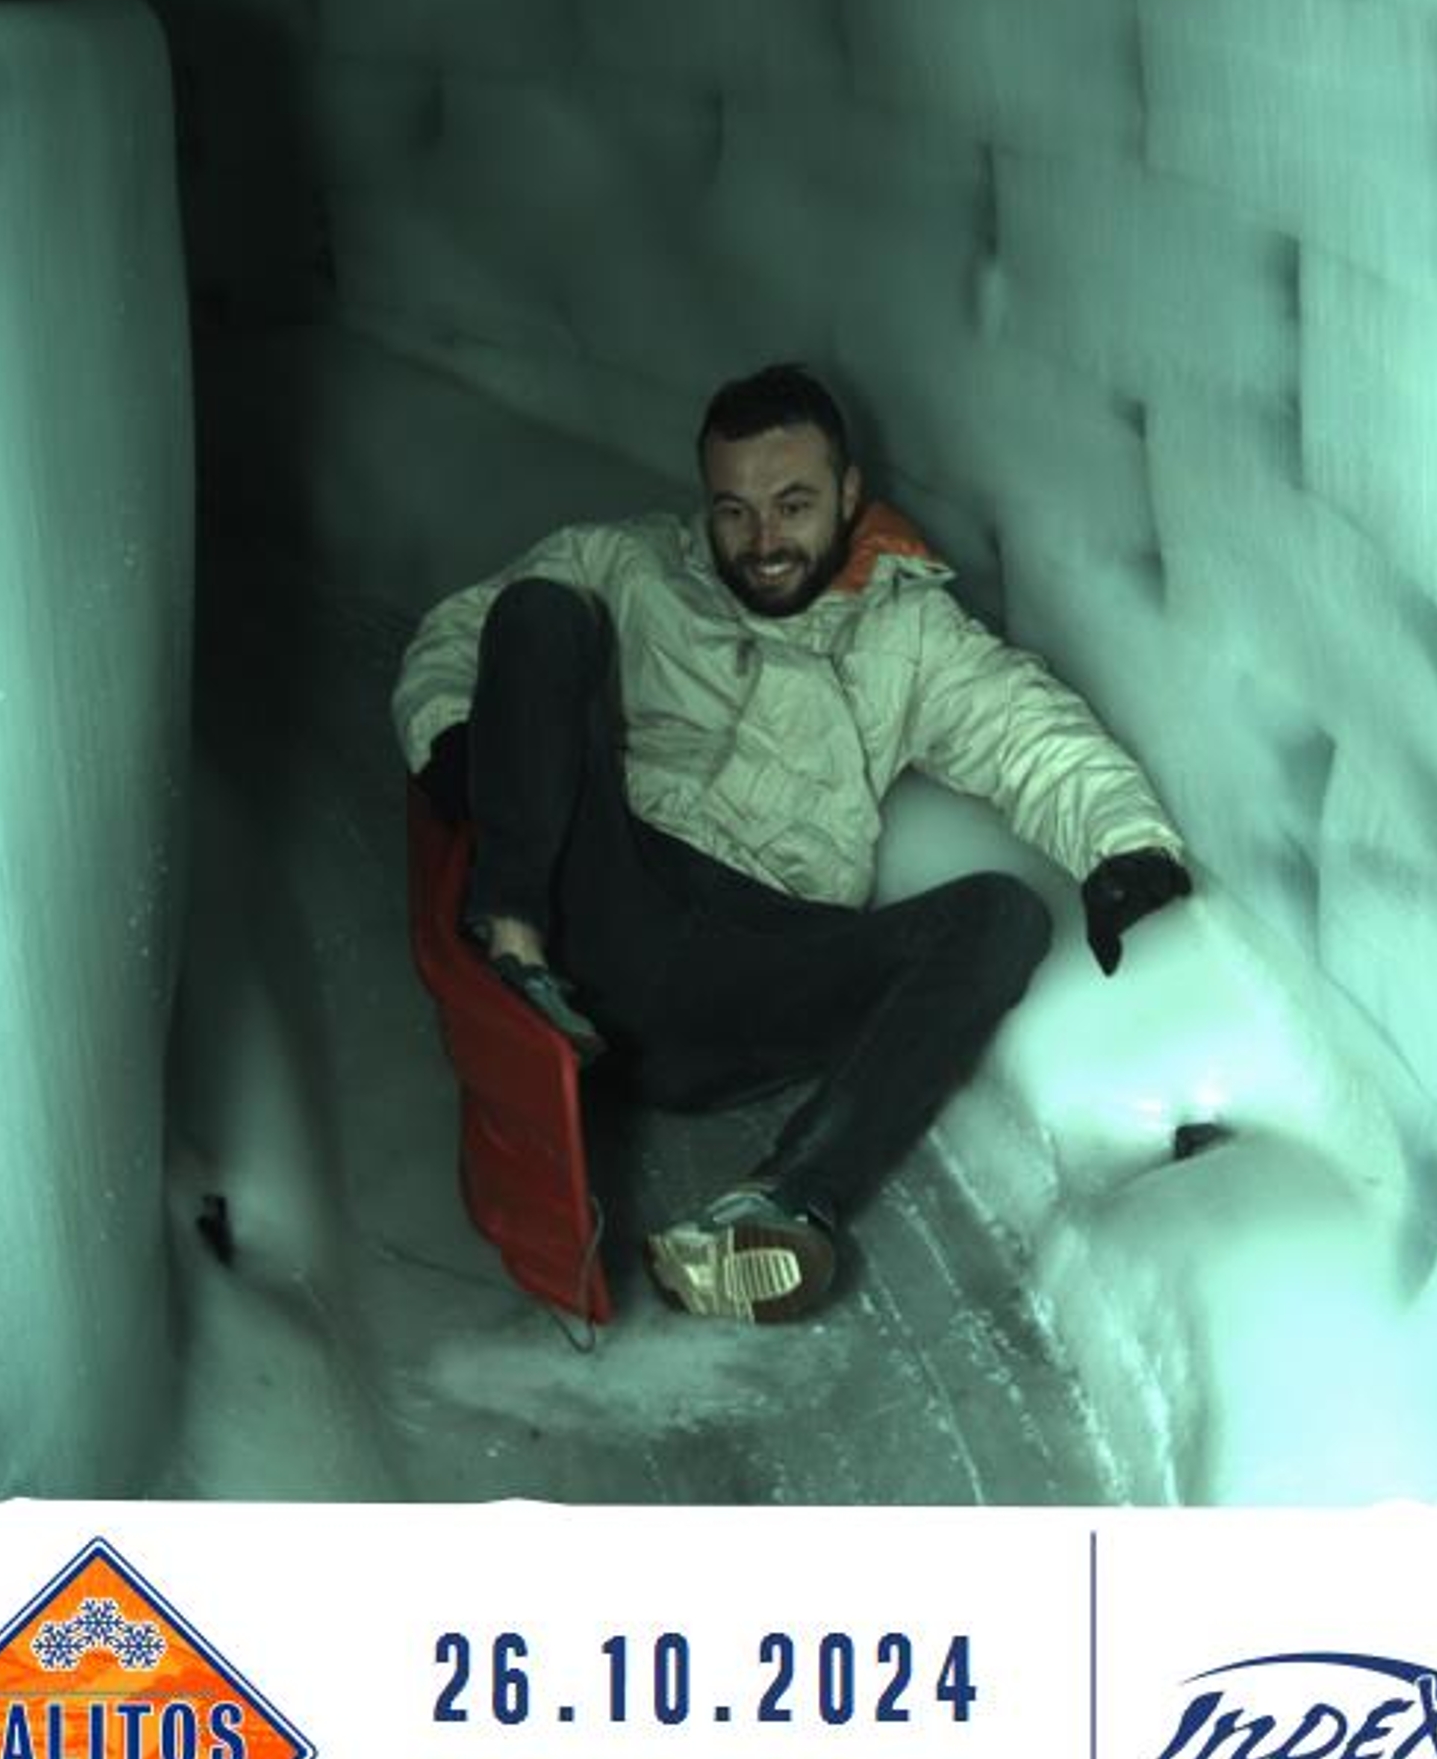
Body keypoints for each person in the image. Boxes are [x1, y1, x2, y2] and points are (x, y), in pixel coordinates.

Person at [393, 365, 1191, 1326]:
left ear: (849, 494)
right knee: (539, 610)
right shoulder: (630, 564)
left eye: (793, 505)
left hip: (760, 973)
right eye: (734, 511)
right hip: (607, 908)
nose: (763, 541)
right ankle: (514, 954)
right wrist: (459, 745)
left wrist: (1125, 844)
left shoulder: (911, 632)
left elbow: (1030, 734)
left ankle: (783, 1203)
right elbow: (463, 634)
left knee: (1002, 917)